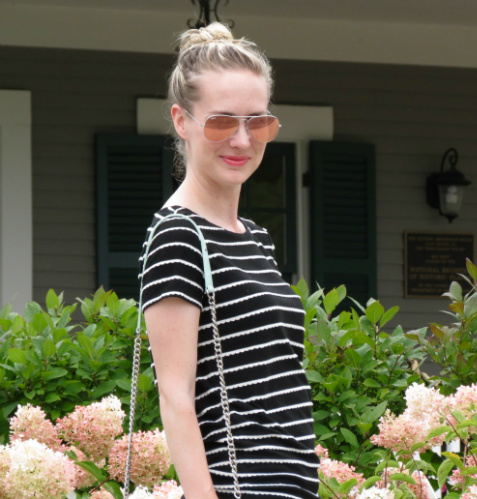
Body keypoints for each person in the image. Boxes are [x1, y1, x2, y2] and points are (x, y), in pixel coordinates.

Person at [139, 22, 319, 499]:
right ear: (181, 121)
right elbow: (175, 398)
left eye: (257, 122)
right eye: (221, 121)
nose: (242, 140)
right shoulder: (179, 235)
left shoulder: (255, 238)